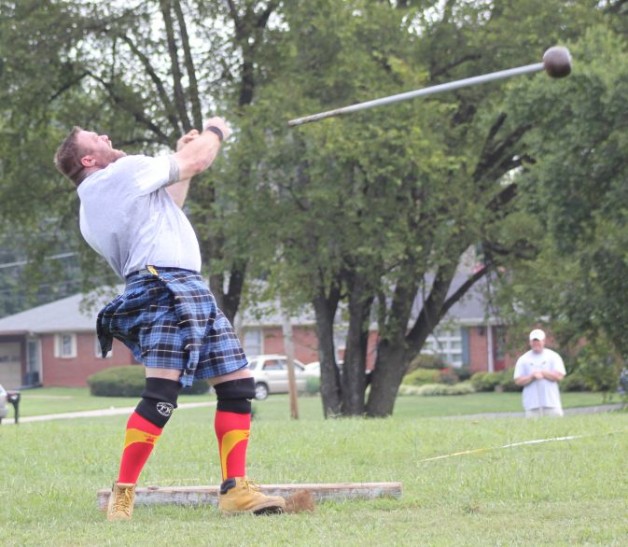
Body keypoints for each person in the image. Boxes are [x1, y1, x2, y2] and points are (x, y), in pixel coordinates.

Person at [54, 119, 286, 520]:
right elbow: (196, 161)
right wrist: (215, 130)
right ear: (88, 159)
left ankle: (235, 490)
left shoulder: (101, 198)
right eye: (97, 138)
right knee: (161, 395)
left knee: (237, 386)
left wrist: (181, 151)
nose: (108, 136)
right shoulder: (118, 174)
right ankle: (122, 494)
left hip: (187, 285)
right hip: (163, 285)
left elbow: (169, 204)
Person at [514, 328, 566, 417]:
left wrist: (544, 373)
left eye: (538, 341)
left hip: (551, 403)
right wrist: (531, 376)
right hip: (532, 404)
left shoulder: (553, 356)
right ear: (530, 342)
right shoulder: (523, 359)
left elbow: (560, 376)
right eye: (533, 341)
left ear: (544, 341)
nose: (536, 344)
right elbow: (518, 380)